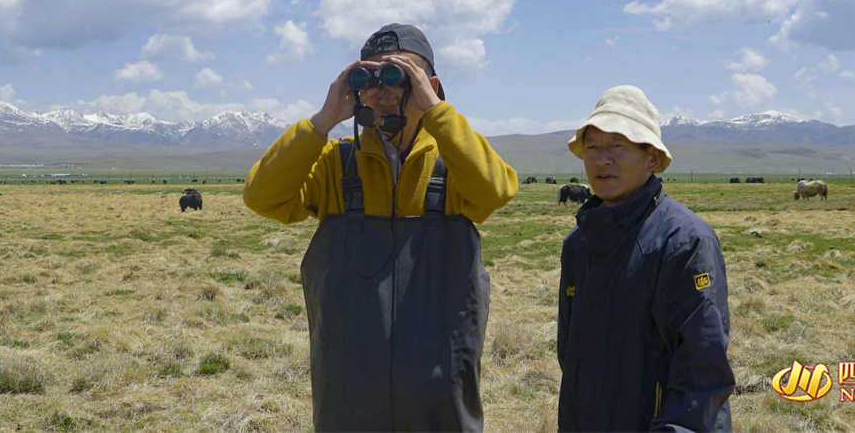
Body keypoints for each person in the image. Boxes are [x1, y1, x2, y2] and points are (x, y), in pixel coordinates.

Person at [243, 23, 518, 432]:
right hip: (350, 391)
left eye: (399, 76)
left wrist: (437, 113)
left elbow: (494, 191)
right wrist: (322, 121)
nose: (383, 90)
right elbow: (263, 197)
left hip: (438, 390)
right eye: (370, 77)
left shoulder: (452, 161)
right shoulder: (337, 164)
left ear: (431, 84)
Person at [557, 85, 734, 432]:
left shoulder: (684, 242)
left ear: (651, 158)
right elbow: (571, 356)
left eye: (617, 146)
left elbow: (702, 371)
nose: (601, 159)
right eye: (592, 147)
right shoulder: (578, 244)